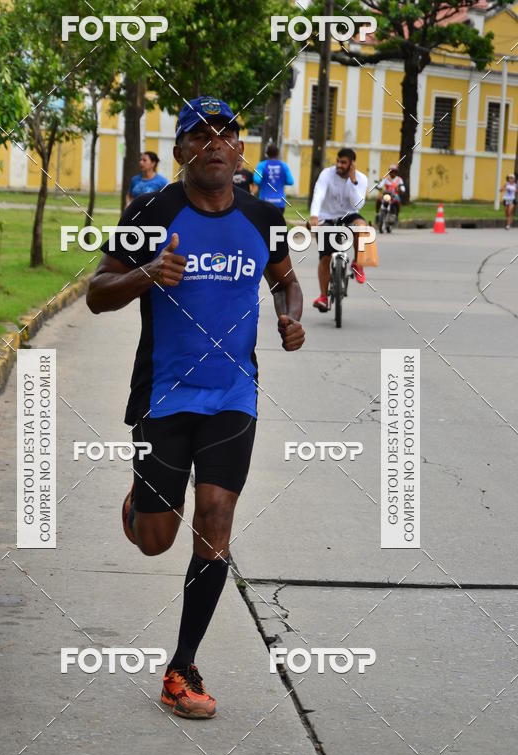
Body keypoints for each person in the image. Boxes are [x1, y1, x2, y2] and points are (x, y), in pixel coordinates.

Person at [86, 96, 305, 720]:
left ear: (241, 149)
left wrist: (290, 316)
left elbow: (286, 279)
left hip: (233, 395)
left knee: (215, 518)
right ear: (181, 149)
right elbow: (98, 295)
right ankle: (142, 507)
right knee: (157, 540)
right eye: (200, 134)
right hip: (165, 393)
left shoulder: (265, 216)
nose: (215, 143)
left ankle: (181, 668)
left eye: (227, 134)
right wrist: (148, 273)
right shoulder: (151, 211)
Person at [309, 147, 368, 312]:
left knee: (362, 228)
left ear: (351, 164)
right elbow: (319, 193)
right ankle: (323, 296)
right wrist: (314, 215)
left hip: (349, 214)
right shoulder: (327, 174)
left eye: (343, 162)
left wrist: (353, 181)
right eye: (338, 161)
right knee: (325, 257)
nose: (339, 165)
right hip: (327, 216)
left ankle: (357, 263)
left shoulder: (361, 179)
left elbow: (358, 205)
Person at [253, 143, 294, 209]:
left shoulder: (261, 165)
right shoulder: (284, 165)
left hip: (265, 201)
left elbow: (257, 180)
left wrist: (265, 181)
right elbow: (290, 181)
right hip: (280, 202)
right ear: (278, 153)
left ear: (267, 153)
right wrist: (281, 181)